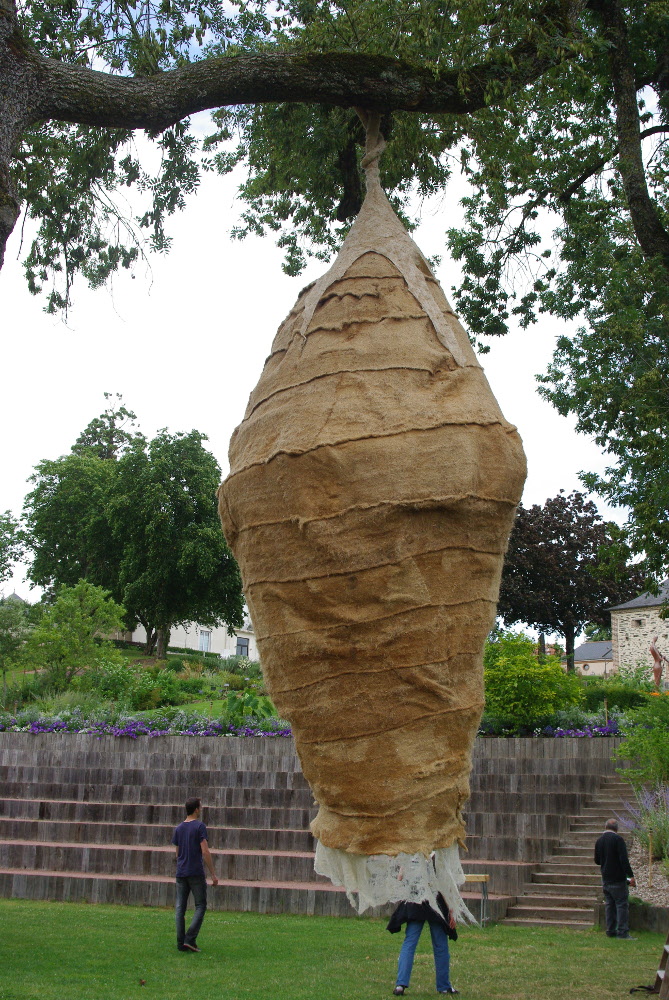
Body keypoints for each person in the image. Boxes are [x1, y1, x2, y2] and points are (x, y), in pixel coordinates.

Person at [387, 893, 458, 995]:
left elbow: (400, 878)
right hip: (435, 902)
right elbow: (446, 884)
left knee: (409, 944)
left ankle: (400, 985)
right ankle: (444, 987)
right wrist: (451, 910)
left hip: (417, 900)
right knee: (440, 945)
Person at [172, 796, 218, 952]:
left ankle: (181, 942)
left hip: (181, 872)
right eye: (200, 807)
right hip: (195, 872)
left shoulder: (178, 828)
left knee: (180, 908)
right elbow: (205, 851)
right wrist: (213, 874)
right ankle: (190, 939)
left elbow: (177, 853)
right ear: (196, 809)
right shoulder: (199, 827)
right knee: (200, 905)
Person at [594, 818, 636, 940]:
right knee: (621, 904)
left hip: (606, 877)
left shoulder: (599, 841)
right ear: (616, 828)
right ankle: (623, 932)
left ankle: (610, 930)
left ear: (605, 827)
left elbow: (597, 861)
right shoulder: (618, 840)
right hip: (618, 878)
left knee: (609, 905)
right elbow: (624, 860)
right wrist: (630, 876)